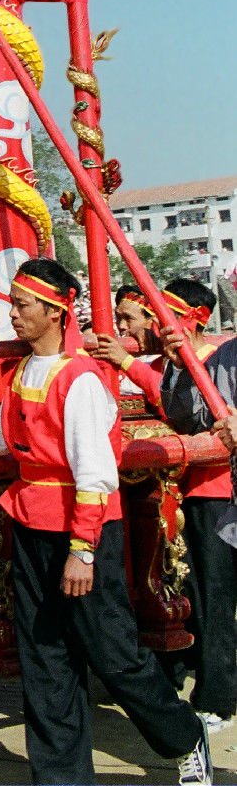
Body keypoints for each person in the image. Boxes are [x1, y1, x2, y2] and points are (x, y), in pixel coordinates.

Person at [0, 260, 210, 786]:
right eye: (12, 303)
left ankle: (183, 736)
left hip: (84, 533)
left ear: (57, 311)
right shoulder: (22, 374)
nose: (12, 314)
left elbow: (95, 472)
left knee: (113, 655)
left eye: (22, 305)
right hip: (33, 526)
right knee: (44, 656)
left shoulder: (79, 378)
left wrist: (82, 549)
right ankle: (61, 778)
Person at [159, 280, 237, 731]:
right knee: (207, 596)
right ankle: (215, 690)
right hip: (205, 493)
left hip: (221, 490)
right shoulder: (211, 360)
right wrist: (175, 364)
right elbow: (183, 415)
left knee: (216, 597)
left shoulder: (217, 356)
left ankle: (219, 695)